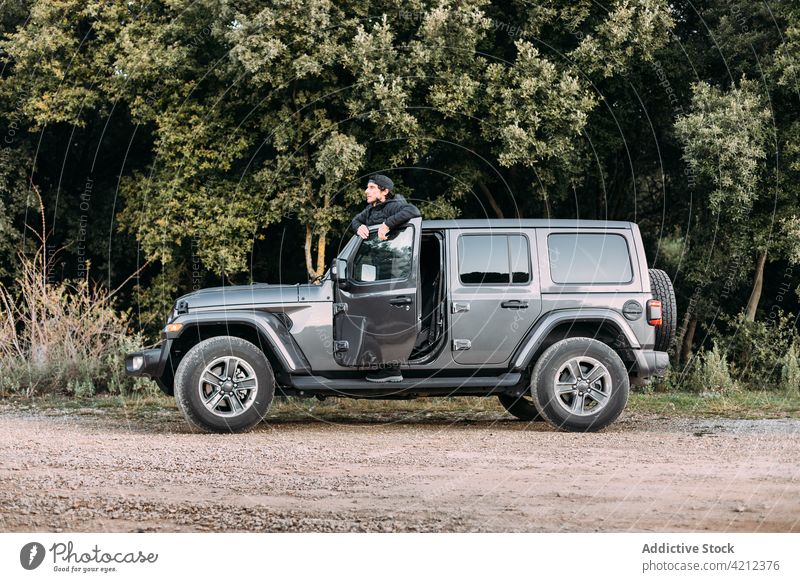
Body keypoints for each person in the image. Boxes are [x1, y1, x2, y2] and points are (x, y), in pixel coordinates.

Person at [351, 174, 420, 382]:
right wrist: (359, 227)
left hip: (396, 270)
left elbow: (413, 211)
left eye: (371, 188)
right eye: (367, 187)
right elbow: (356, 220)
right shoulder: (372, 209)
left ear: (384, 191)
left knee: (389, 319)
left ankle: (392, 369)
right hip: (380, 270)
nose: (367, 191)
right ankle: (384, 365)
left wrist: (387, 224)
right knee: (377, 319)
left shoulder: (394, 205)